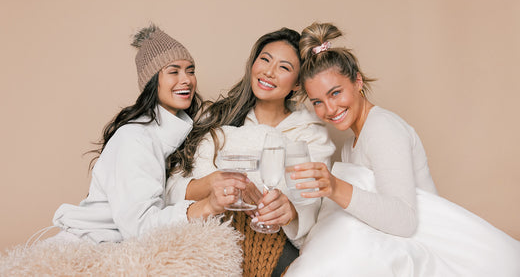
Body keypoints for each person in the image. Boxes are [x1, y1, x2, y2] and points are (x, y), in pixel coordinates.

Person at [284, 22, 520, 276]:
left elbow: (403, 221)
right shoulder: (350, 145)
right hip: (391, 241)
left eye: (336, 93)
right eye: (318, 102)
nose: (329, 109)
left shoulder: (383, 128)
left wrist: (335, 186)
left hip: (426, 244)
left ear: (358, 82)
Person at [166, 27, 335, 276]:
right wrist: (212, 185)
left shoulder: (310, 133)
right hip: (209, 236)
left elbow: (317, 201)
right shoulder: (217, 118)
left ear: (298, 84)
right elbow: (172, 189)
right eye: (265, 60)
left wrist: (290, 211)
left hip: (273, 246)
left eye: (284, 67)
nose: (268, 71)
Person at [49, 24, 230, 243]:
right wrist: (207, 206)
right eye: (173, 71)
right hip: (81, 251)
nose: (187, 80)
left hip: (111, 251)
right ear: (152, 83)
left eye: (190, 70)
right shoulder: (135, 138)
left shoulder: (178, 136)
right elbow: (139, 227)